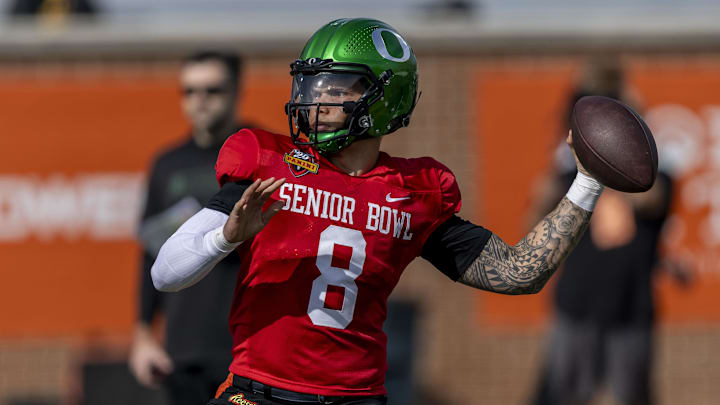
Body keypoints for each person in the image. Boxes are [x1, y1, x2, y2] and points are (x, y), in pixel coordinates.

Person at [151, 18, 605, 405]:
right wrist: (226, 236)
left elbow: (517, 272)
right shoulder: (271, 166)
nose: (317, 100)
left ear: (385, 96)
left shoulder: (414, 193)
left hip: (356, 396)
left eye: (336, 86)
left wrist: (587, 181)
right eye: (312, 84)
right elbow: (165, 274)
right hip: (260, 391)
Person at [529, 62, 684, 405]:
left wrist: (627, 123)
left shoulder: (656, 175)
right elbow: (538, 209)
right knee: (562, 395)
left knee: (632, 396)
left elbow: (651, 197)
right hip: (577, 304)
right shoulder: (570, 172)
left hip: (631, 308)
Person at [129, 51, 249, 405]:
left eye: (212, 90)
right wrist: (143, 335)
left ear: (236, 91)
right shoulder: (167, 164)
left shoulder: (261, 157)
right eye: (190, 91)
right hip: (182, 350)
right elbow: (150, 251)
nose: (200, 101)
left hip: (245, 348)